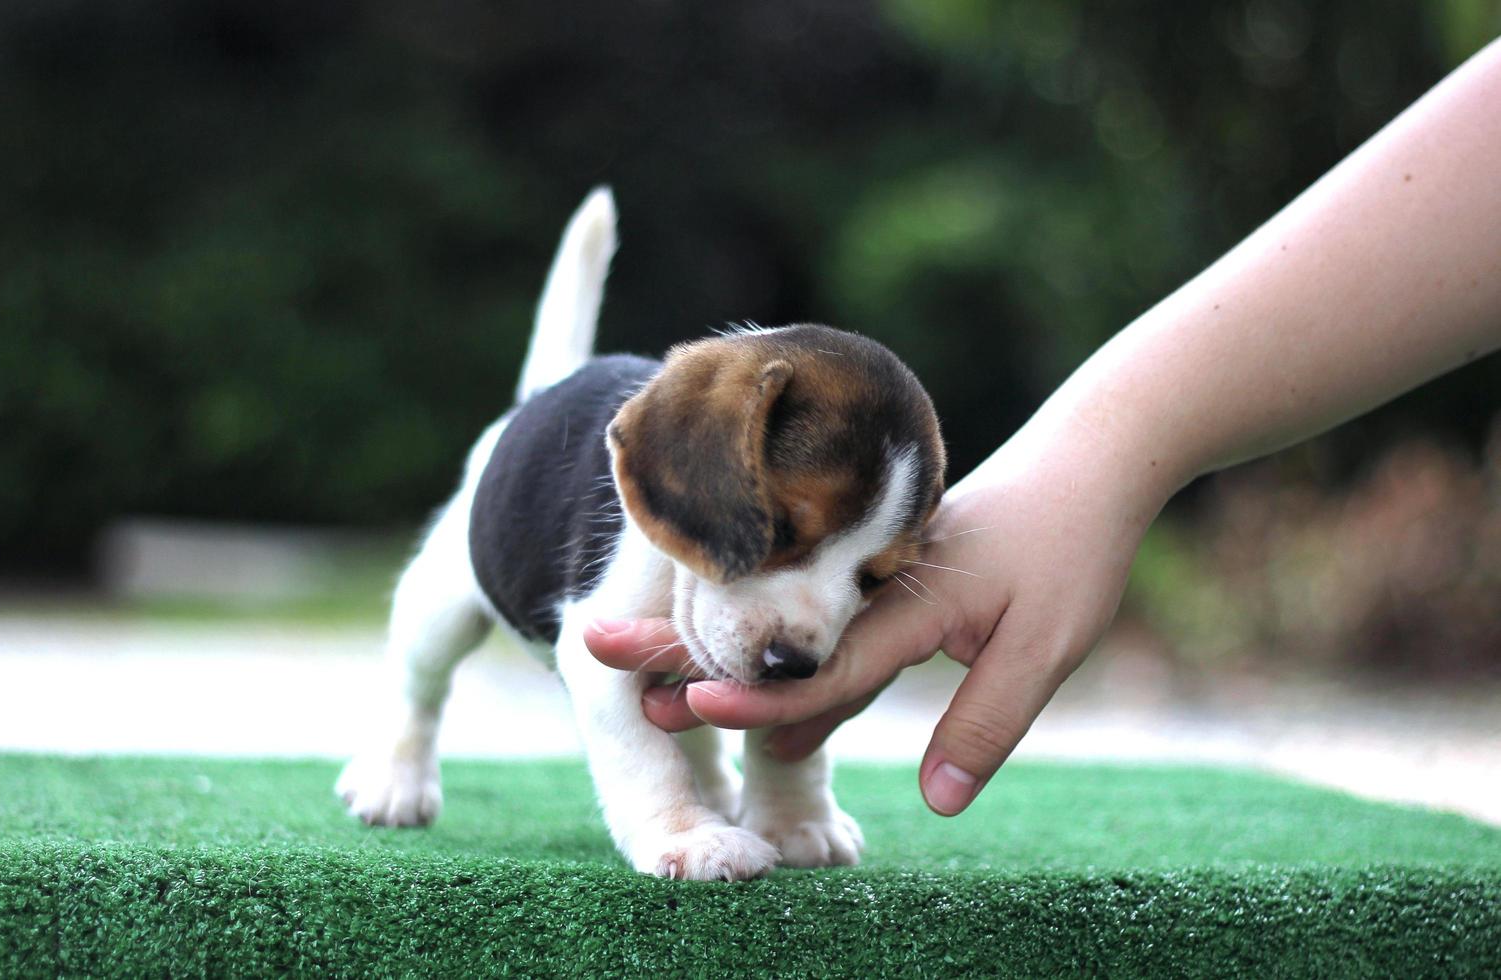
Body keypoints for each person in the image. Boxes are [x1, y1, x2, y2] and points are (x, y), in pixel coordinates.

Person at [584, 38, 1501, 818]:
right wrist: (1106, 452)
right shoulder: (689, 451)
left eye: (869, 581)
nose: (805, 635)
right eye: (782, 530)